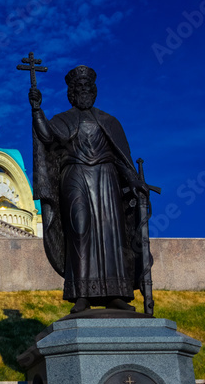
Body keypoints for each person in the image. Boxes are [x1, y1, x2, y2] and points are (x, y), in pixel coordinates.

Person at [29, 65, 149, 314]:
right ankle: (81, 293)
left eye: (87, 87)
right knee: (79, 231)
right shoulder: (64, 119)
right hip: (75, 178)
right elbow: (48, 138)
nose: (83, 91)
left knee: (110, 233)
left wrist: (134, 180)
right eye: (78, 88)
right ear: (71, 94)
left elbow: (121, 158)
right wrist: (37, 109)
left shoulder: (109, 121)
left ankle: (116, 293)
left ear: (94, 91)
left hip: (107, 181)